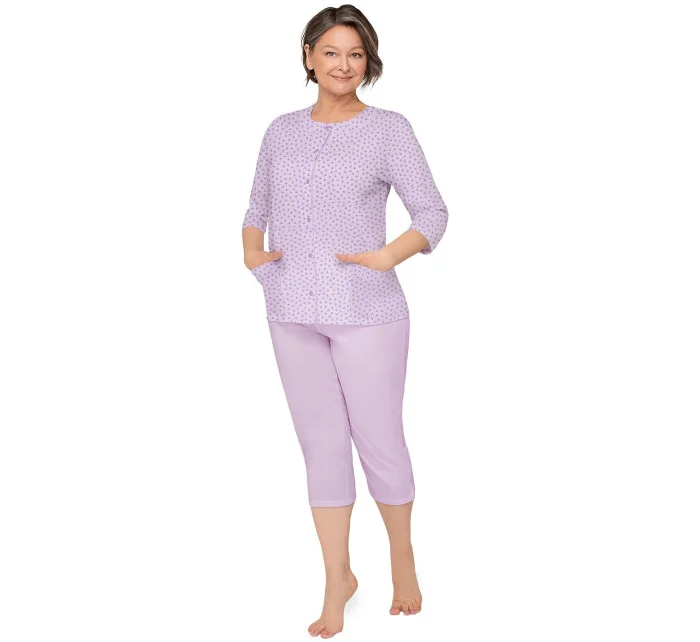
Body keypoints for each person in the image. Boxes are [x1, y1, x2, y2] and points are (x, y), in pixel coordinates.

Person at [241, 5, 448, 638]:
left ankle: (402, 558)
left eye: (355, 54)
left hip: (368, 312)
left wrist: (387, 255)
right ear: (308, 57)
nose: (343, 64)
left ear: (368, 62)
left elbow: (432, 213)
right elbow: (256, 206)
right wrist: (253, 255)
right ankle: (338, 579)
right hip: (291, 310)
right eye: (331, 52)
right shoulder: (281, 130)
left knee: (379, 439)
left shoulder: (388, 129)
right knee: (321, 445)